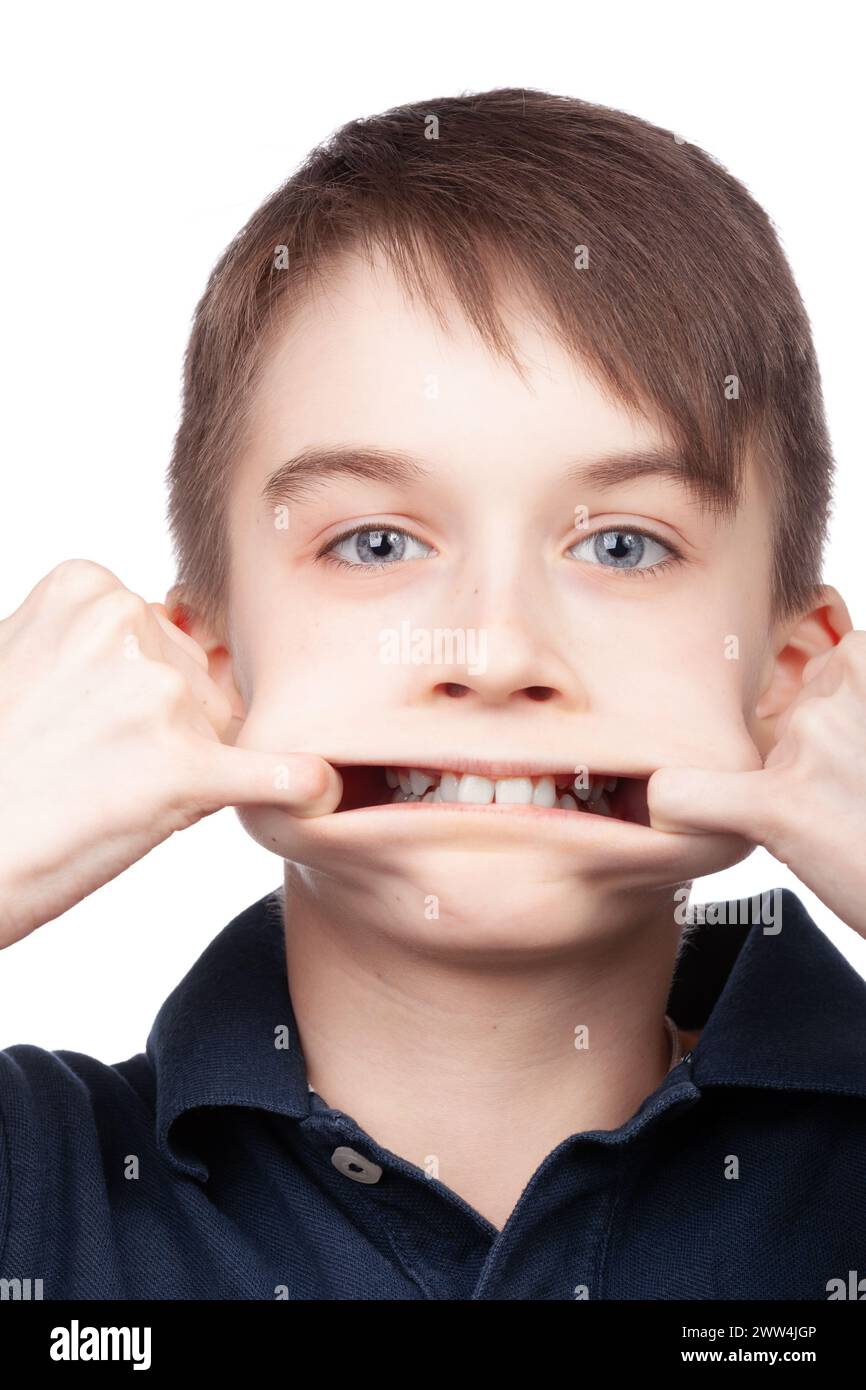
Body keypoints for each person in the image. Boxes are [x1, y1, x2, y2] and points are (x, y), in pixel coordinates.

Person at [2, 87, 865, 1301]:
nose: (495, 648)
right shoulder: (37, 1182)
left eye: (620, 545)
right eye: (372, 543)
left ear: (795, 680)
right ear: (204, 662)